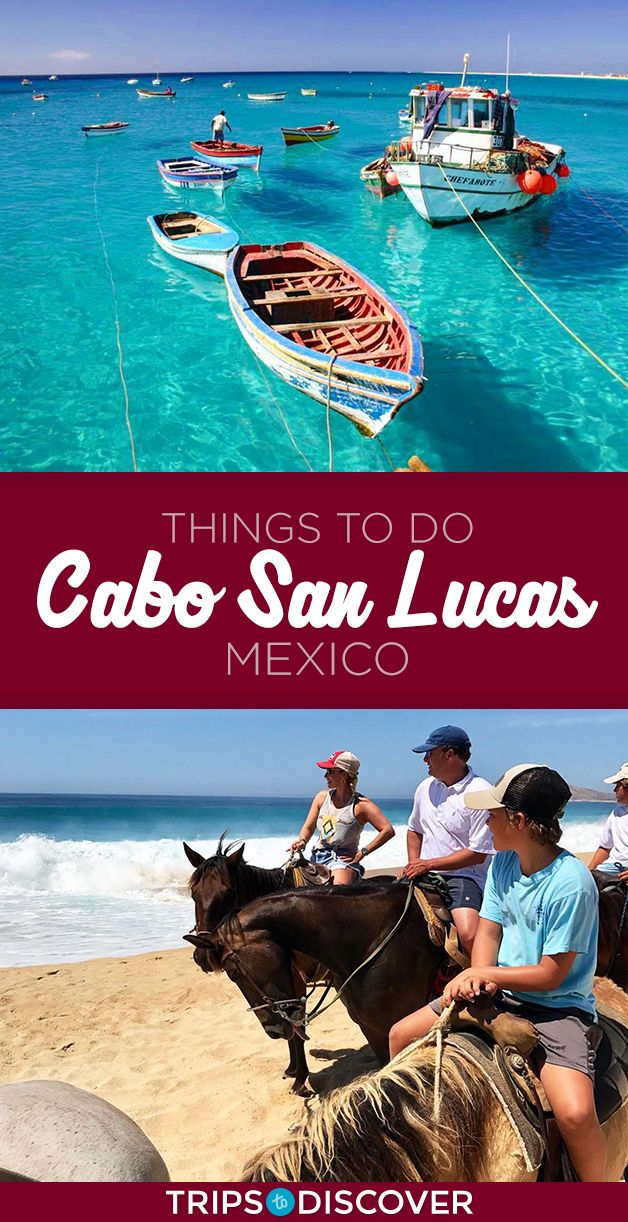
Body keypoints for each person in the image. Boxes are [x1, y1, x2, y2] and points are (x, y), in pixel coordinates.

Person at [389, 764, 605, 1182]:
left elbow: (550, 975)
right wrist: (478, 974)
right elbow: (488, 930)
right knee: (400, 1034)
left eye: (492, 813)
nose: (485, 820)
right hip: (498, 991)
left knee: (575, 1114)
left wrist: (489, 976)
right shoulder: (504, 865)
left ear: (519, 821)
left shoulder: (571, 883)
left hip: (555, 1008)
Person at [399, 725, 493, 957]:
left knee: (469, 934)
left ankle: (486, 986)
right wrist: (415, 863)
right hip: (424, 871)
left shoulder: (481, 792)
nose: (425, 759)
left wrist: (428, 864)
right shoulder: (424, 788)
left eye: (430, 753)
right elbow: (414, 830)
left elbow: (478, 853)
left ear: (450, 754)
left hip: (464, 876)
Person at [289, 750, 394, 884]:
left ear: (343, 774)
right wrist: (302, 841)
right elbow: (309, 827)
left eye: (330, 771)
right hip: (317, 857)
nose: (325, 776)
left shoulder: (361, 805)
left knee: (335, 894)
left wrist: (362, 852)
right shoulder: (321, 798)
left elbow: (388, 830)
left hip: (342, 861)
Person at [588, 762, 628, 881]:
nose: (614, 789)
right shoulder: (616, 813)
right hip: (614, 866)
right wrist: (589, 871)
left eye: (618, 785)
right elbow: (605, 848)